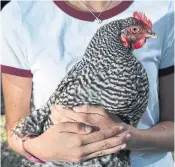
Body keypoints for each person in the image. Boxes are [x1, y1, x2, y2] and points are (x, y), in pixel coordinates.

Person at [1, 0, 174, 167]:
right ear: (119, 36)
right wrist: (38, 147)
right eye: (136, 29)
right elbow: (16, 127)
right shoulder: (19, 14)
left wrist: (127, 137)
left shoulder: (166, 9)